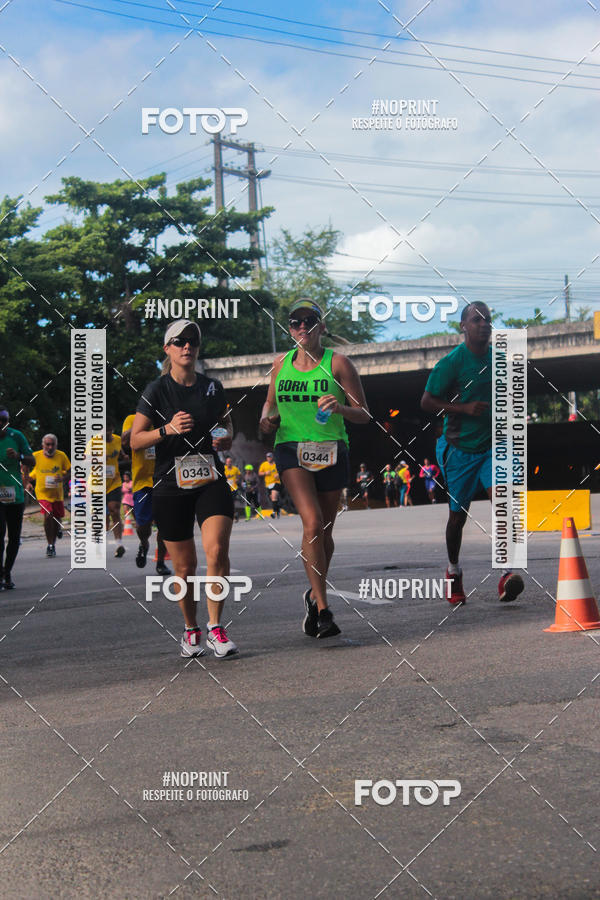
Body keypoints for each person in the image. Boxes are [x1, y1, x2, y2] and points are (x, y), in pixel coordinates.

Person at [260, 298, 370, 639]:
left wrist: (339, 408)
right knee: (311, 523)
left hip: (331, 449)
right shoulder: (280, 365)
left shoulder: (338, 364)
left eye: (309, 321)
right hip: (290, 448)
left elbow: (364, 414)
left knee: (325, 531)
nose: (302, 327)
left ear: (321, 326)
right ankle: (323, 609)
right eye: (296, 322)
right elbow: (268, 407)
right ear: (290, 329)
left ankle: (311, 594)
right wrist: (266, 420)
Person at [131, 319, 238, 659]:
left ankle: (216, 628)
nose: (187, 346)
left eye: (192, 340)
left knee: (217, 550)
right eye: (179, 341)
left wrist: (226, 437)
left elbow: (226, 424)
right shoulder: (156, 390)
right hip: (169, 484)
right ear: (168, 349)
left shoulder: (212, 387)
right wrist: (167, 429)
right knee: (184, 567)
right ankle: (191, 629)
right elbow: (135, 440)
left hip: (210, 479)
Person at [421, 301, 524, 605]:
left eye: (487, 320)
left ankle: (506, 573)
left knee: (502, 501)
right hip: (459, 449)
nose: (483, 325)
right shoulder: (451, 363)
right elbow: (427, 402)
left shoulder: (500, 360)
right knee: (457, 518)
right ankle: (453, 570)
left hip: (493, 446)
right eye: (476, 320)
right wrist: (463, 408)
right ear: (463, 326)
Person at [121, 414, 171, 574]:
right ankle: (144, 543)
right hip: (142, 482)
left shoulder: (166, 417)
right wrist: (143, 424)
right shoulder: (131, 419)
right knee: (143, 526)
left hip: (164, 479)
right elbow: (125, 443)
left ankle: (161, 562)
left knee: (165, 525)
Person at [0, 407, 35, 589]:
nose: (1, 424)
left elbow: (32, 460)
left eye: (4, 420)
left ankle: (7, 572)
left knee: (14, 538)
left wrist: (18, 456)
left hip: (15, 495)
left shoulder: (17, 436)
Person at [29, 434, 71, 557]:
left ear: (56, 445)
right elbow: (26, 470)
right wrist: (27, 483)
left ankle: (56, 533)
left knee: (57, 519)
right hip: (42, 493)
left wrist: (63, 478)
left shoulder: (61, 455)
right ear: (43, 445)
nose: (50, 447)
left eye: (53, 444)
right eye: (47, 444)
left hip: (57, 494)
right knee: (48, 515)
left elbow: (70, 471)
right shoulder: (35, 456)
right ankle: (50, 545)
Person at [258, 451, 282, 518]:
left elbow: (281, 471)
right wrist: (265, 473)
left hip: (276, 482)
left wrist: (278, 474)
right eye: (267, 457)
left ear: (272, 457)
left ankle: (274, 513)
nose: (269, 458)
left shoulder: (276, 464)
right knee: (272, 498)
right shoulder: (264, 464)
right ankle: (278, 508)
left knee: (274, 496)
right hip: (268, 484)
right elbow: (259, 473)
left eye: (270, 457)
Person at [224, 455, 242, 522]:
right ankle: (233, 514)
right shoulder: (223, 469)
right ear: (226, 462)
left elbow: (240, 475)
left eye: (230, 461)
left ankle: (233, 515)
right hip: (226, 489)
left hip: (234, 488)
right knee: (227, 503)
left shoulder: (235, 469)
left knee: (232, 502)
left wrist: (238, 479)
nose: (229, 463)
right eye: (228, 462)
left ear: (232, 462)